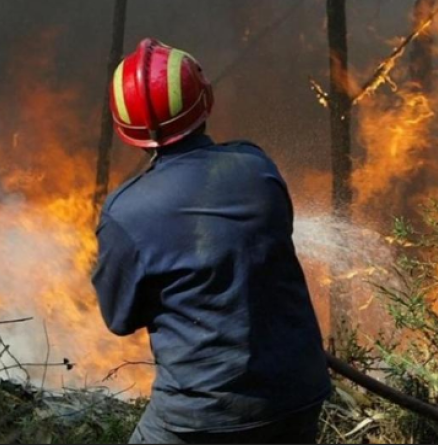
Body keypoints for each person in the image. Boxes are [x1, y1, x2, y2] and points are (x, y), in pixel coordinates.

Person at [91, 38, 331, 444]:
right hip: (297, 396)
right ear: (205, 101)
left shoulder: (125, 212)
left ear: (125, 128)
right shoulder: (256, 168)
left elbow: (120, 319)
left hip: (203, 415)